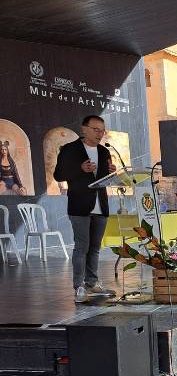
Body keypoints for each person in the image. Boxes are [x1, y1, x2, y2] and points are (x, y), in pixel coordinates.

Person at [53, 115, 115, 303]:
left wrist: (111, 172)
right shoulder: (69, 149)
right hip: (80, 204)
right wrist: (80, 169)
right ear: (84, 129)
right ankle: (78, 286)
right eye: (96, 130)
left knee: (95, 248)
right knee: (82, 246)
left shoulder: (104, 152)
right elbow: (58, 175)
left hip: (100, 204)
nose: (99, 134)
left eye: (102, 130)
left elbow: (103, 179)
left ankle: (92, 283)